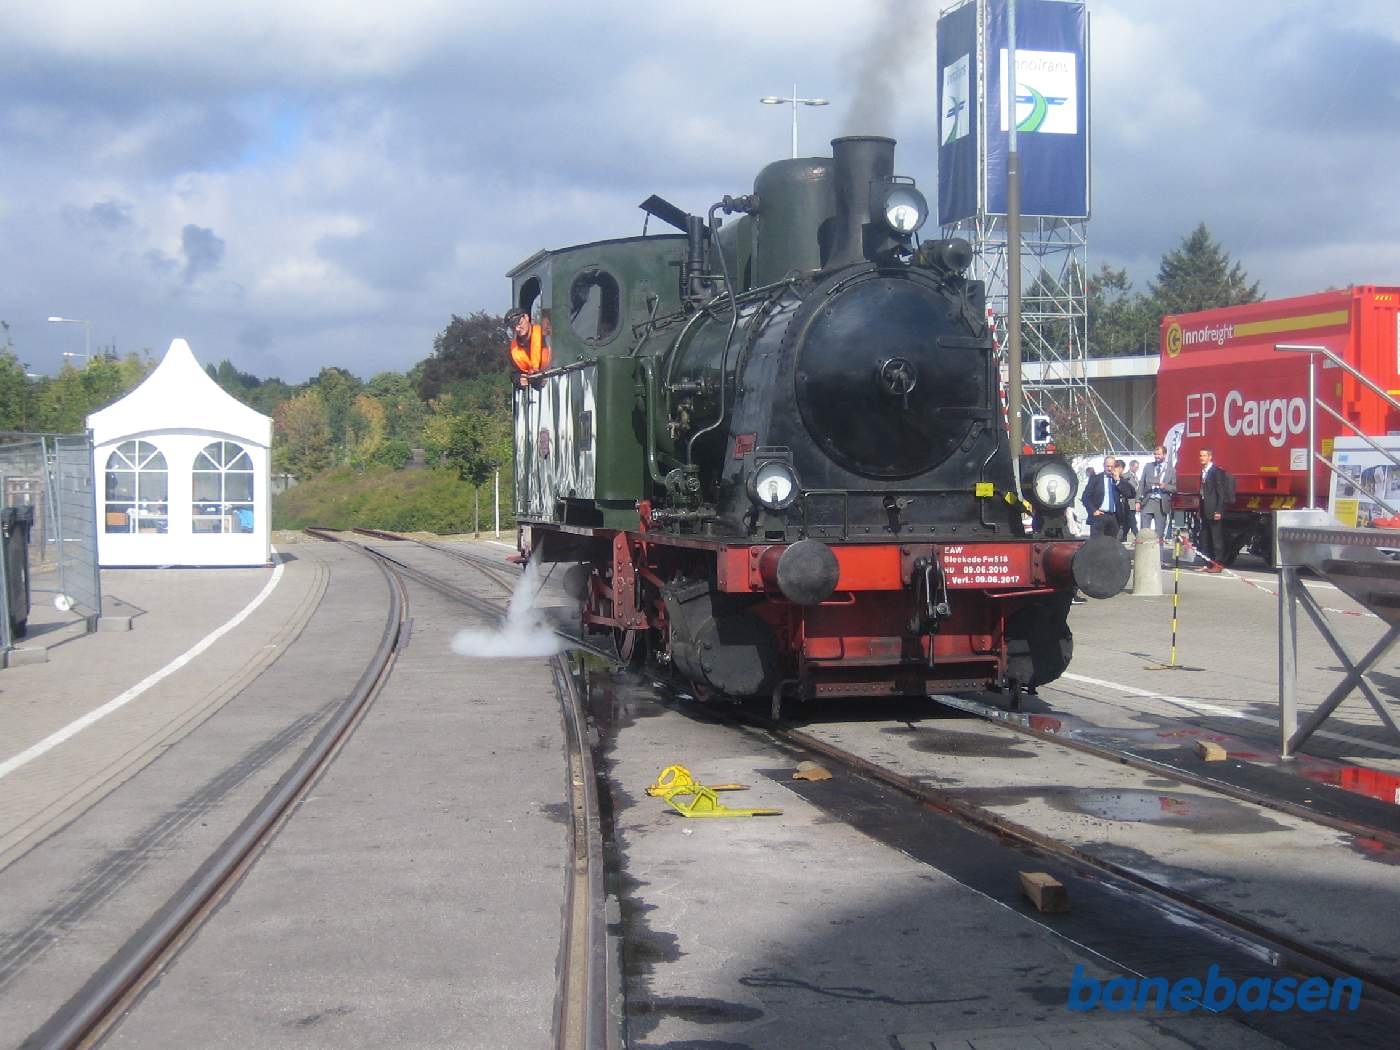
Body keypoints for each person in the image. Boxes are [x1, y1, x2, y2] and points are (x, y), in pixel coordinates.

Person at [1197, 447, 1232, 573]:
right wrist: (1199, 510)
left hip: (1214, 510)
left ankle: (1218, 563)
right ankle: (1208, 563)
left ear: (1210, 457)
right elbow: (1202, 493)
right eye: (1200, 455)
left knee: (1216, 538)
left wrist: (1218, 511)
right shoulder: (1203, 471)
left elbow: (1220, 493)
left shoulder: (1216, 471)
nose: (1202, 458)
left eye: (1204, 455)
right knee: (1205, 538)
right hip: (1205, 509)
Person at [1137, 445, 1176, 541]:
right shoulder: (1148, 466)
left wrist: (1165, 486)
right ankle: (1144, 555)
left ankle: (1158, 555)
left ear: (1165, 455)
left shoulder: (1171, 470)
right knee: (1144, 533)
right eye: (1155, 454)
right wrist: (1137, 500)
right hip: (1148, 501)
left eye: (1159, 454)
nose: (1156, 456)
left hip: (1161, 504)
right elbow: (1141, 483)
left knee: (1159, 535)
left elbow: (1175, 488)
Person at [1081, 456, 1123, 538]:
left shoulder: (1119, 479)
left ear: (1115, 466)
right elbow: (1085, 497)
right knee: (1097, 545)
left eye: (1112, 466)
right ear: (1103, 465)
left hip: (1114, 517)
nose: (1110, 469)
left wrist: (1118, 481)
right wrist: (1093, 510)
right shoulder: (1095, 479)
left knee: (1112, 545)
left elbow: (1130, 493)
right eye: (1107, 466)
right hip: (1099, 515)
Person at [507, 308, 551, 386]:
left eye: (519, 323)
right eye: (513, 327)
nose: (517, 329)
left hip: (555, 384)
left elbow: (561, 360)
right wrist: (519, 380)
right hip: (533, 393)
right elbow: (514, 374)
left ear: (526, 318)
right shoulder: (513, 350)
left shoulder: (546, 337)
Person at [1121, 459, 1141, 537]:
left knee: (1130, 517)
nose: (1137, 469)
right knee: (1131, 517)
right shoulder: (1125, 476)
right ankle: (1136, 533)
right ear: (1131, 466)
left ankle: (1124, 535)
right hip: (1128, 499)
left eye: (1138, 467)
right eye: (1136, 467)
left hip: (1133, 499)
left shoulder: (1135, 476)